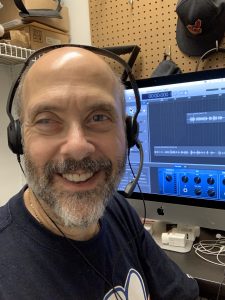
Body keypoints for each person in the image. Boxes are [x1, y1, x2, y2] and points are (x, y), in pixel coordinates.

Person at [0, 46, 199, 300]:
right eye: (46, 120)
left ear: (128, 133)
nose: (78, 147)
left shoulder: (115, 208)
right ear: (18, 139)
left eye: (98, 117)